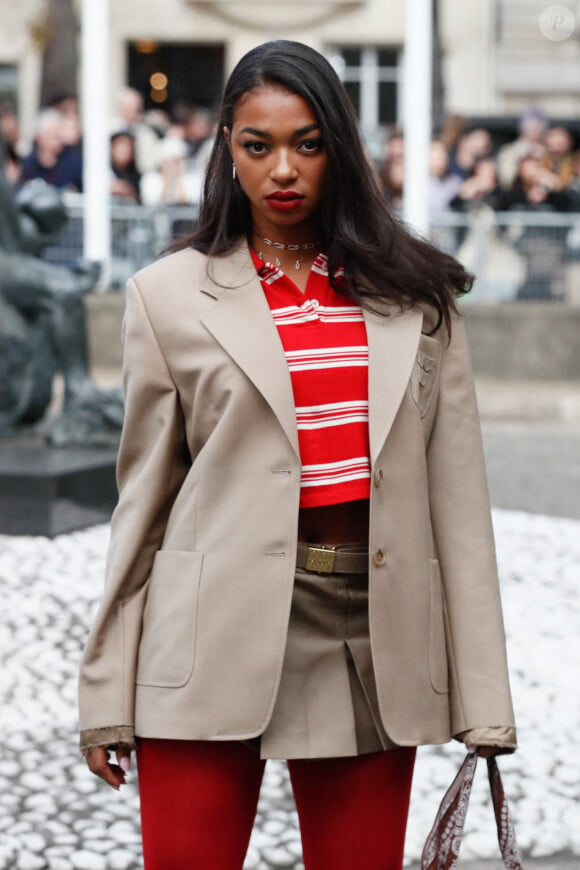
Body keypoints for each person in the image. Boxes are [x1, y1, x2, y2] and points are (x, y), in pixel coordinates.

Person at [79, 40, 517, 869]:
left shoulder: (416, 297)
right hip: (205, 633)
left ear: (340, 151)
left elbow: (460, 507)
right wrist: (105, 693)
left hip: (372, 639)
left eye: (308, 144)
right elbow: (140, 509)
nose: (284, 169)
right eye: (259, 146)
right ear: (228, 153)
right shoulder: (166, 297)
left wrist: (485, 702)